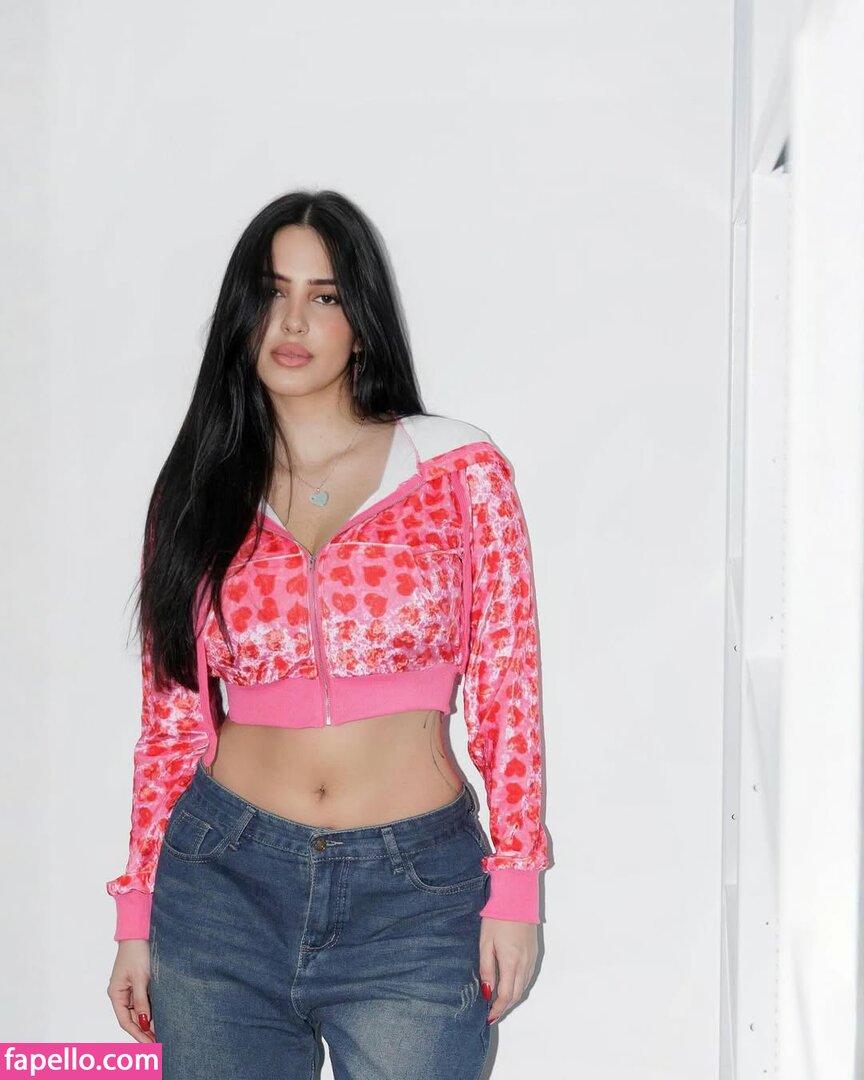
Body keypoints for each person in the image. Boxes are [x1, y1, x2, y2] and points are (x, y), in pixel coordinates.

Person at [105, 188, 550, 1079]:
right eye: (273, 293)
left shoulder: (455, 468)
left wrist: (515, 883)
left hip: (413, 895)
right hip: (220, 882)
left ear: (362, 323)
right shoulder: (198, 489)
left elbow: (509, 684)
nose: (294, 321)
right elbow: (171, 722)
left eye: (326, 295)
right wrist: (136, 915)